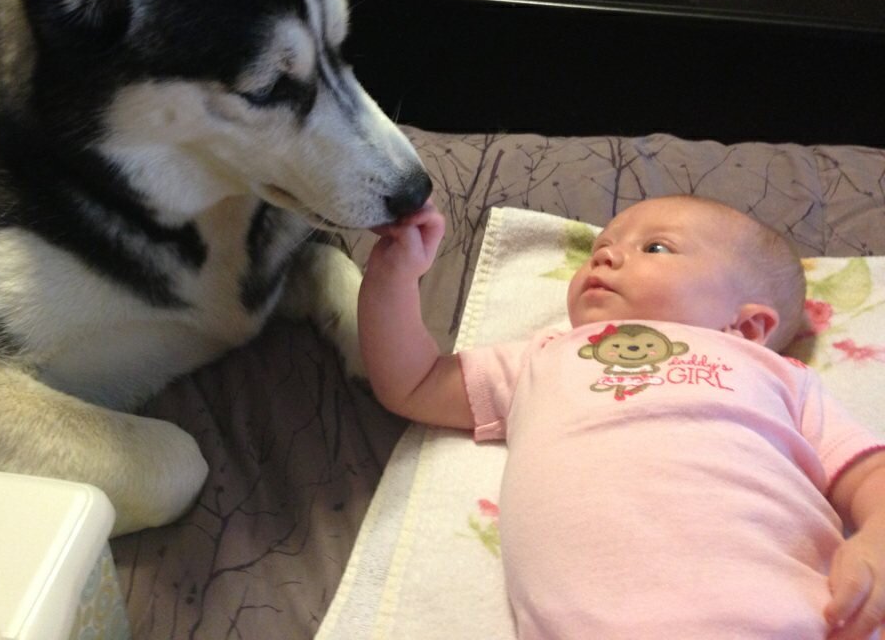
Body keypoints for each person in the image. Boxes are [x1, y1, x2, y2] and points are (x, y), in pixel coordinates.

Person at [358, 194, 885, 640]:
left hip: (794, 615)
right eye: (599, 249)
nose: (605, 256)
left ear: (746, 328)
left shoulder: (777, 376)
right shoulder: (544, 357)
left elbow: (868, 472)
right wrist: (392, 275)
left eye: (655, 248)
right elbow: (415, 383)